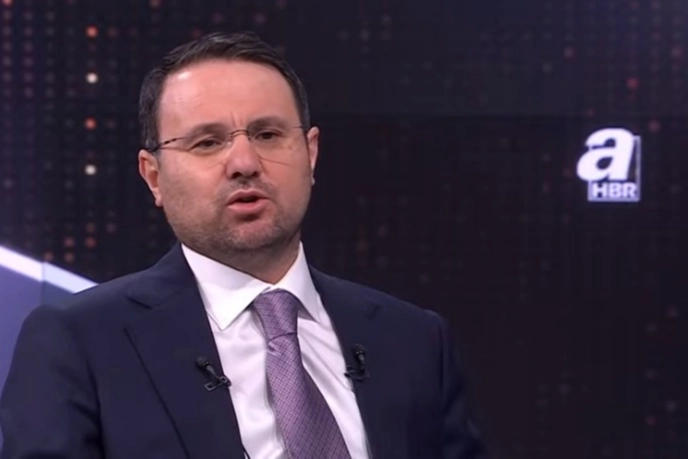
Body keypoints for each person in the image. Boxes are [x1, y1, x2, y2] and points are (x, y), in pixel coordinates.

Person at [0, 31, 486, 459]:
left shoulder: (413, 340)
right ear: (154, 177)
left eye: (268, 134)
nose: (244, 163)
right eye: (207, 142)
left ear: (311, 153)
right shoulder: (80, 342)